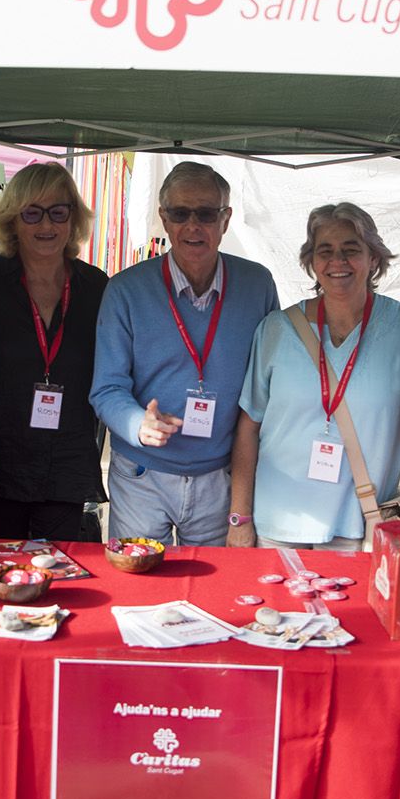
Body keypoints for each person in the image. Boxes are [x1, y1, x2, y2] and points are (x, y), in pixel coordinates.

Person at [91, 161, 279, 546]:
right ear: (163, 218)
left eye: (206, 214)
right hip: (142, 473)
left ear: (225, 220)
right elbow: (106, 388)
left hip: (221, 476)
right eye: (180, 213)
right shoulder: (126, 290)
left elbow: (271, 383)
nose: (193, 226)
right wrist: (136, 424)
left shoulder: (257, 284)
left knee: (213, 594)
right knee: (137, 589)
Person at [228, 203, 400, 549]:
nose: (337, 262)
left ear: (373, 258)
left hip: (360, 524)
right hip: (278, 522)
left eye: (351, 250)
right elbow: (248, 425)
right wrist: (240, 517)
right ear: (311, 262)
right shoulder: (277, 329)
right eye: (325, 251)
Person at [0, 162, 108, 541]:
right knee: (5, 572)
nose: (47, 226)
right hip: (0, 462)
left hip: (68, 459)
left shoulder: (97, 288)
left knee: (63, 575)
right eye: (32, 213)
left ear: (73, 219)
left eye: (59, 212)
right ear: (12, 220)